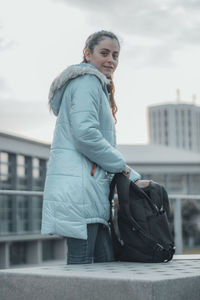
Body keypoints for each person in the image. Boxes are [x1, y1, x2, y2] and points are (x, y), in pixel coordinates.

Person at [41, 30, 149, 264]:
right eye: (104, 53)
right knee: (84, 268)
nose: (111, 60)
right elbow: (85, 134)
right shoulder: (87, 82)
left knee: (103, 265)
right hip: (81, 190)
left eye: (115, 55)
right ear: (87, 54)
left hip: (88, 188)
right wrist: (122, 167)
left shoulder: (94, 84)